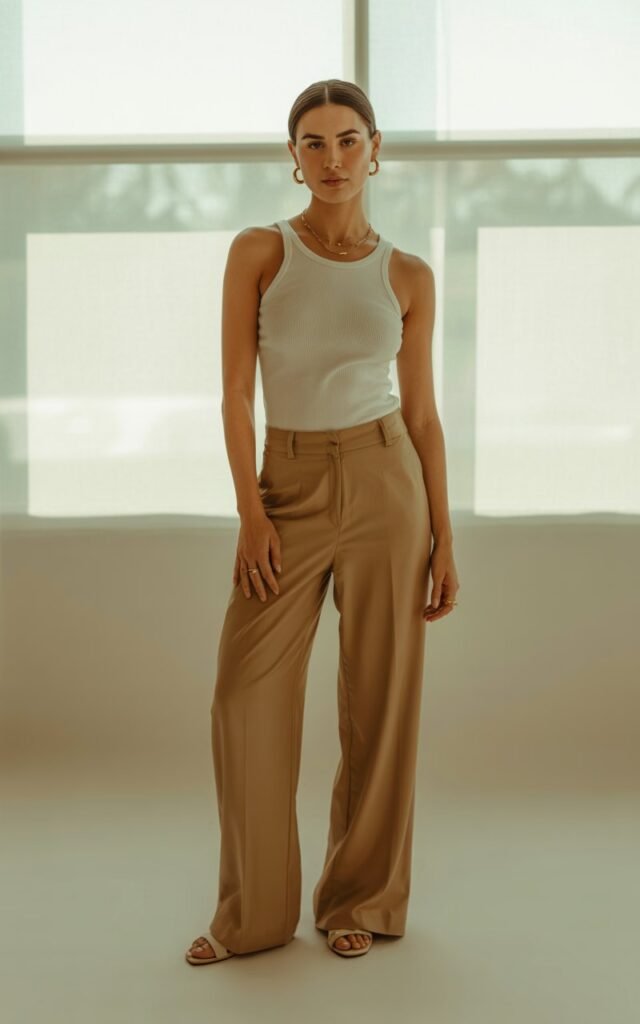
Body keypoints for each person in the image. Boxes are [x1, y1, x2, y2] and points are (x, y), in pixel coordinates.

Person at [186, 79, 460, 965]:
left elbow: (422, 416)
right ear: (292, 156)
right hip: (288, 481)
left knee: (382, 702)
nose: (333, 159)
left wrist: (445, 535)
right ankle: (254, 918)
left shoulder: (408, 275)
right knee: (245, 696)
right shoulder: (260, 252)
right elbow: (233, 393)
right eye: (314, 143)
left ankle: (362, 901)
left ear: (376, 149)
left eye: (349, 141)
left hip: (388, 484)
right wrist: (249, 512)